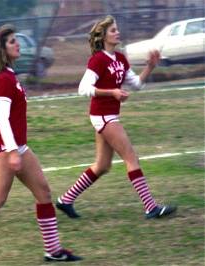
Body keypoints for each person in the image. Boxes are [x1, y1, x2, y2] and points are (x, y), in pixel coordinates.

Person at [0, 24, 82, 266]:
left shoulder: (3, 75)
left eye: (16, 40)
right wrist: (10, 149)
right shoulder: (4, 78)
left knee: (44, 193)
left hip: (16, 145)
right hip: (5, 148)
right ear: (1, 49)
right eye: (12, 41)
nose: (17, 43)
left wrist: (9, 139)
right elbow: (0, 117)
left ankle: (53, 250)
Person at [55, 15, 177, 219]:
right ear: (103, 36)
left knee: (102, 166)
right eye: (113, 30)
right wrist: (111, 92)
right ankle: (151, 207)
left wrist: (150, 66)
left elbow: (136, 84)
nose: (117, 32)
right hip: (103, 115)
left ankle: (65, 200)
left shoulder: (119, 58)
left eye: (117, 29)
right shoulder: (99, 60)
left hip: (108, 115)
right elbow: (83, 89)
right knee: (131, 158)